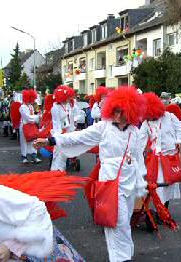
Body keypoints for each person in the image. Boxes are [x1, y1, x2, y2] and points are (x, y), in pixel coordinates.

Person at [34, 86, 147, 262]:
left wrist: (142, 181)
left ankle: (123, 253)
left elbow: (139, 158)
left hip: (130, 181)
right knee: (118, 222)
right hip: (110, 180)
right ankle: (120, 258)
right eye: (115, 110)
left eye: (121, 111)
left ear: (130, 112)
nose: (117, 114)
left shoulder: (135, 131)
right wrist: (50, 140)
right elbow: (78, 137)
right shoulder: (103, 127)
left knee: (124, 221)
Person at [140, 93, 181, 209]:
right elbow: (140, 141)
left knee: (169, 184)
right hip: (155, 160)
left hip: (170, 158)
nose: (150, 119)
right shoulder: (146, 123)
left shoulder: (170, 117)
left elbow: (180, 130)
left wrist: (179, 143)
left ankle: (164, 209)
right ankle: (160, 210)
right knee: (158, 185)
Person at [19, 89, 41, 164]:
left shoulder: (31, 106)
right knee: (24, 141)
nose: (33, 100)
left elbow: (32, 117)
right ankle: (24, 156)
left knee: (34, 140)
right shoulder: (22, 107)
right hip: (25, 126)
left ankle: (34, 155)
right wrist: (37, 117)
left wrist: (37, 116)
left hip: (32, 125)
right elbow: (28, 118)